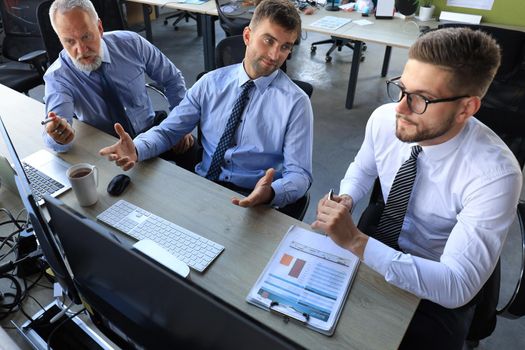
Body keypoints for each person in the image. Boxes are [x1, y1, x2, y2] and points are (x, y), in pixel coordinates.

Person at [312, 27, 522, 349]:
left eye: (421, 98)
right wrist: (347, 198)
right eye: (401, 88)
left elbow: (456, 285)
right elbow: (364, 168)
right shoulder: (384, 119)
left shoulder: (495, 174)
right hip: (378, 234)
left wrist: (356, 241)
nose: (399, 108)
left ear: (467, 108)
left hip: (437, 271)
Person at [100, 0, 313, 213]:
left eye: (285, 47)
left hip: (254, 200)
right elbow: (168, 132)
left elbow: (300, 175)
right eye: (268, 41)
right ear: (248, 36)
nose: (276, 55)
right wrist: (137, 148)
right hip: (204, 189)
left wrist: (271, 193)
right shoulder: (210, 84)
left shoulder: (296, 104)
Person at [43, 0, 193, 156]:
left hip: (152, 132)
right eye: (69, 41)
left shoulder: (131, 43)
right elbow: (55, 132)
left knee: (199, 165)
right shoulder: (58, 77)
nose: (81, 50)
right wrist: (59, 136)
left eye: (86, 36)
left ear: (99, 28)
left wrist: (180, 124)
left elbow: (172, 78)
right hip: (110, 148)